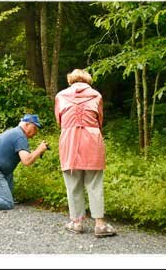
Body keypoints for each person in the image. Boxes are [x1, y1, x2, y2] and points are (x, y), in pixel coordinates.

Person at [54, 69, 116, 237]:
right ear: (88, 81)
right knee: (94, 184)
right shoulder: (96, 95)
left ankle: (77, 222)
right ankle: (100, 224)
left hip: (69, 140)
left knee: (73, 184)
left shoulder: (60, 96)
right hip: (92, 139)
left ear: (70, 80)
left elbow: (59, 120)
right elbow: (99, 120)